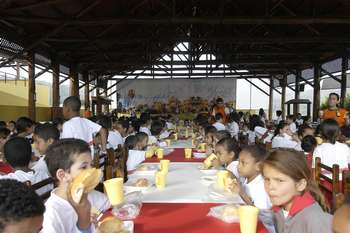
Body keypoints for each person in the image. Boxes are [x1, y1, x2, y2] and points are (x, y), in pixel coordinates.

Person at [42, 139, 110, 233]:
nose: (92, 171)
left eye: (92, 165)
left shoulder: (88, 193)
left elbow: (110, 206)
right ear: (63, 175)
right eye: (84, 167)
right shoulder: (51, 214)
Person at [263, 149, 332, 233]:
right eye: (267, 179)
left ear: (300, 185)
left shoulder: (315, 220)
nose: (270, 187)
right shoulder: (279, 209)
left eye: (279, 180)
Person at [226, 145, 271, 209]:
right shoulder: (248, 179)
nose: (238, 166)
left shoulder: (261, 188)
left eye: (243, 163)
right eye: (239, 162)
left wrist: (242, 194)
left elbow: (261, 215)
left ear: (258, 166)